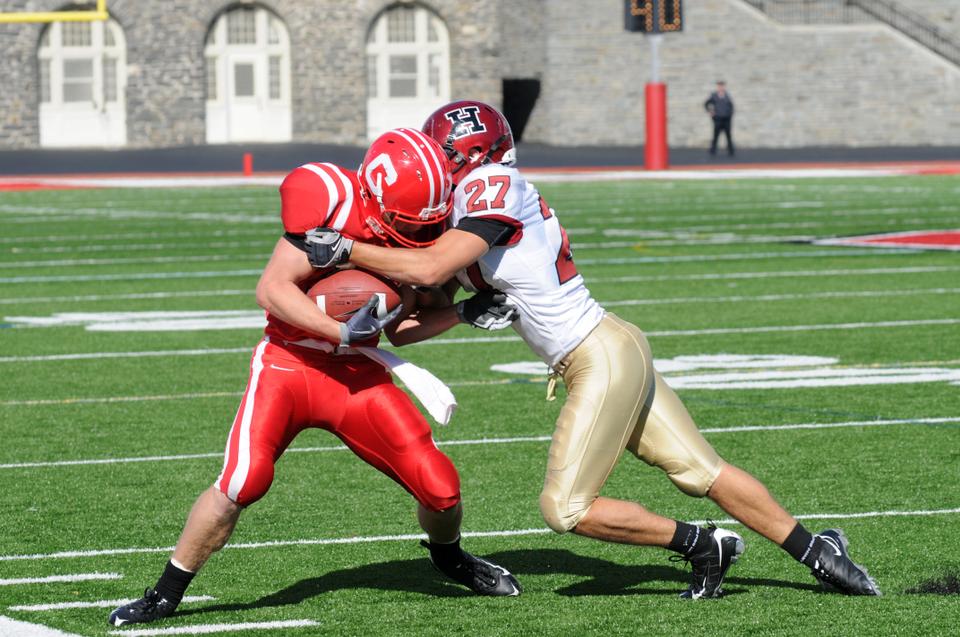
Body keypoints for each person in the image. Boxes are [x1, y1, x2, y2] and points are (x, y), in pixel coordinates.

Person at [306, 101, 881, 599]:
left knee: (567, 509)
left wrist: (346, 249)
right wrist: (459, 312)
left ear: (473, 157)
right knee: (699, 470)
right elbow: (407, 329)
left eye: (448, 155)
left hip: (598, 354)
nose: (438, 166)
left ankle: (710, 545)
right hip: (606, 348)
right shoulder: (465, 213)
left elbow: (431, 265)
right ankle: (818, 548)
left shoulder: (497, 186)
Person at [108, 128, 522, 627]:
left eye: (427, 224)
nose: (417, 235)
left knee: (441, 488)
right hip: (289, 364)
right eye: (406, 221)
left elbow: (405, 330)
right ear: (375, 193)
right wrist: (338, 329)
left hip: (355, 375)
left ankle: (449, 557)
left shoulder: (425, 232)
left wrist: (462, 314)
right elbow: (272, 288)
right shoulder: (332, 203)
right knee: (243, 480)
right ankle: (165, 594)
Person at [705, 81, 735, 156]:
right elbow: (706, 103)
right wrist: (710, 112)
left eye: (722, 86)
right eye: (719, 86)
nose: (721, 88)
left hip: (726, 119)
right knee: (715, 135)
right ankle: (713, 150)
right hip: (718, 119)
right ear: (717, 87)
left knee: (728, 135)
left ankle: (731, 151)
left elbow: (731, 106)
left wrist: (729, 114)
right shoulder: (714, 95)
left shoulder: (727, 95)